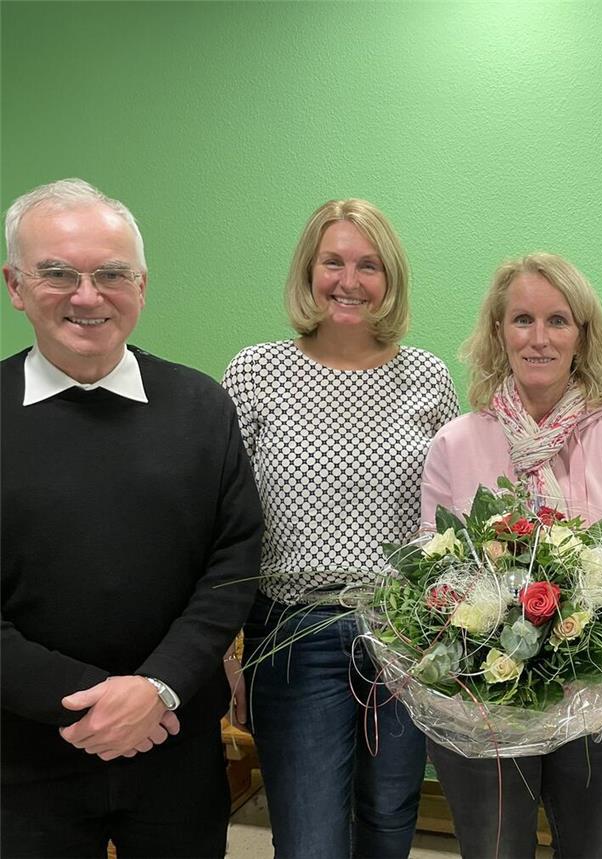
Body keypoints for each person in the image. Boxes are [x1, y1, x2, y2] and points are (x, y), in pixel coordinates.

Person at [1, 178, 263, 857]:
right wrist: (98, 701)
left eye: (111, 274)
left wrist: (158, 688)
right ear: (15, 285)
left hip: (175, 742)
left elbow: (234, 561)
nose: (87, 296)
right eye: (58, 273)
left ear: (141, 286)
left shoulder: (201, 407)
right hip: (20, 757)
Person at [222, 199, 459, 858]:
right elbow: (222, 518)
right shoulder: (256, 372)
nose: (349, 281)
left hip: (405, 634)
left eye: (368, 265)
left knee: (389, 819)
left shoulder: (428, 376)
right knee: (311, 838)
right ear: (309, 269)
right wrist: (224, 649)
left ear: (390, 279)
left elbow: (451, 520)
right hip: (295, 631)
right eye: (334, 262)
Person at [419, 252, 602, 859]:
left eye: (558, 320)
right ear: (498, 331)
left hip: (598, 708)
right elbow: (435, 576)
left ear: (582, 334)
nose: (539, 338)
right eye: (522, 319)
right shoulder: (456, 442)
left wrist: (577, 648)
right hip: (484, 708)